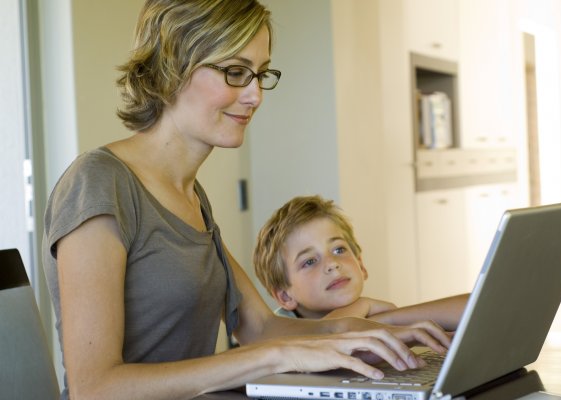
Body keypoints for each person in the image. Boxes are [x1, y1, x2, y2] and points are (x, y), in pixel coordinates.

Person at [41, 1, 452, 399]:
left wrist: (379, 333)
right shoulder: (99, 183)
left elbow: (261, 328)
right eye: (236, 72)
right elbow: (94, 389)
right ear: (172, 67)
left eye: (261, 74)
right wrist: (271, 358)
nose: (255, 95)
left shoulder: (190, 195)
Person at [253, 195, 469, 330]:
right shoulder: (278, 333)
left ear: (361, 264)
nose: (332, 264)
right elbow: (323, 338)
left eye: (339, 249)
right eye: (309, 261)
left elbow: (472, 308)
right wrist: (362, 305)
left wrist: (391, 319)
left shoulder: (371, 315)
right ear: (285, 296)